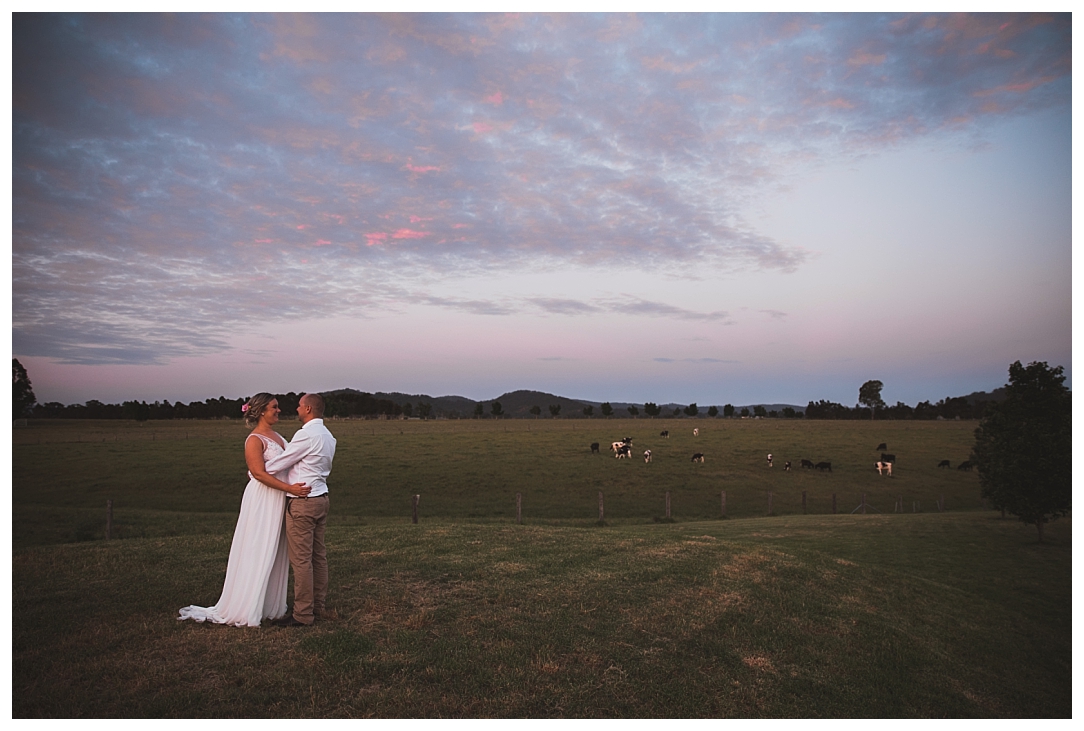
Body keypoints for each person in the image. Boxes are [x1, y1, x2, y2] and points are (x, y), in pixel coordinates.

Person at [178, 393, 310, 627]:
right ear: (261, 411)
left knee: (275, 549)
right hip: (263, 498)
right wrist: (290, 488)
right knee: (258, 547)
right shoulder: (254, 439)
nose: (278, 410)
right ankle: (247, 604)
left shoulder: (279, 437)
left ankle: (270, 604)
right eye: (274, 407)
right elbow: (258, 473)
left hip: (279, 498)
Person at [264, 392, 336, 627]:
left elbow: (283, 461)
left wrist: (259, 471)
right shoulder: (328, 436)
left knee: (302, 560)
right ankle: (318, 606)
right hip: (321, 498)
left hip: (303, 502)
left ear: (308, 409)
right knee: (318, 556)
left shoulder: (306, 434)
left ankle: (303, 614)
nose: (296, 409)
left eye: (299, 405)